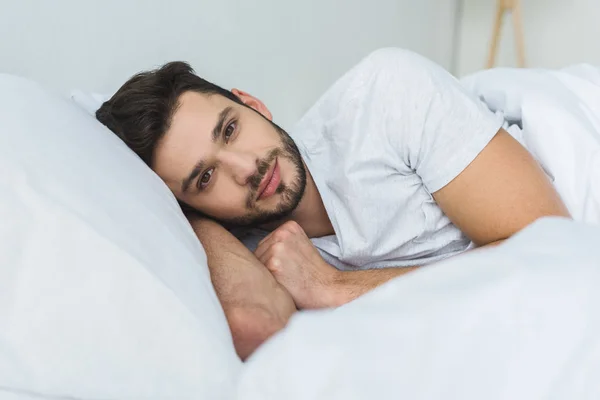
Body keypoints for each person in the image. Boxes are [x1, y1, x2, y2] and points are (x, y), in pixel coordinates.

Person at [96, 48, 569, 359]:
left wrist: (337, 287)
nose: (246, 168)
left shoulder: (385, 96)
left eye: (230, 129)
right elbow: (252, 324)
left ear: (253, 104)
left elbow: (552, 251)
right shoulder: (256, 256)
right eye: (205, 176)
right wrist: (197, 223)